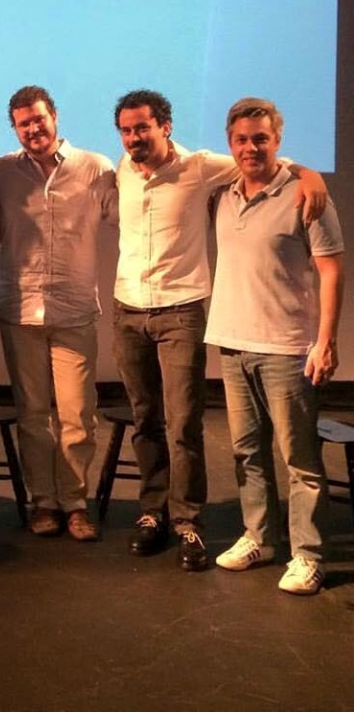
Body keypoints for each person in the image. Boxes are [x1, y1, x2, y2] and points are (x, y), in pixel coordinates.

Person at [112, 88, 325, 572]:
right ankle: (152, 512)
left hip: (181, 312)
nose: (134, 138)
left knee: (183, 423)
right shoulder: (120, 170)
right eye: (126, 130)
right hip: (127, 311)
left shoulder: (201, 167)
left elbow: (262, 160)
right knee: (145, 420)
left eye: (142, 127)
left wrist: (309, 173)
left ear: (165, 126)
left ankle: (188, 522)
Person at [206, 98, 343, 595]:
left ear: (277, 141)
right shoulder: (221, 194)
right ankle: (259, 538)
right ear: (230, 143)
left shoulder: (306, 195)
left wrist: (325, 341)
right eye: (242, 139)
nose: (251, 148)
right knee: (247, 453)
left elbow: (331, 269)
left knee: (299, 460)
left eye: (261, 138)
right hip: (232, 342)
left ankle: (308, 555)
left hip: (287, 347)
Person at [0, 85, 116, 541]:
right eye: (23, 124)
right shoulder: (1, 171)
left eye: (38, 119)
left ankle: (75, 503)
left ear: (54, 117)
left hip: (74, 309)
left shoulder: (95, 167)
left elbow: (128, 216)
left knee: (77, 416)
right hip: (21, 309)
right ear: (15, 129)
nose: (32, 129)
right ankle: (43, 501)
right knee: (32, 415)